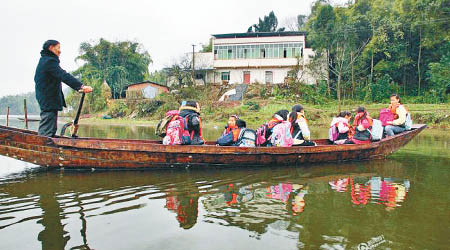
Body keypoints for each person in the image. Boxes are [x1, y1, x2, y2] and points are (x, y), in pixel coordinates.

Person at [34, 40, 92, 137]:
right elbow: (63, 75)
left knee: (50, 125)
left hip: (47, 98)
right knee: (47, 127)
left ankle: (46, 143)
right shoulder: (48, 61)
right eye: (58, 47)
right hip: (48, 98)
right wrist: (80, 86)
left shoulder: (46, 60)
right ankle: (44, 146)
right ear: (51, 48)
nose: (60, 51)